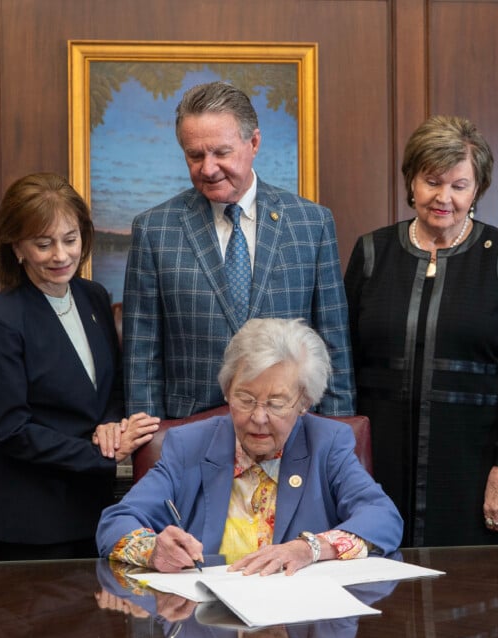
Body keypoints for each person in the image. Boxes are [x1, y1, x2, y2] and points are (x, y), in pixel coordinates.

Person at [344, 115, 498, 547]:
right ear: (411, 181)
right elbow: (342, 363)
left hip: (471, 468)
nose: (443, 197)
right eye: (432, 181)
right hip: (377, 465)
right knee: (379, 585)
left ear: (477, 190)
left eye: (459, 185)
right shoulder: (373, 252)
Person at [123, 81, 355, 420]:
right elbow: (141, 355)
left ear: (254, 142)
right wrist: (148, 447)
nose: (208, 168)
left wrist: (337, 438)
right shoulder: (154, 230)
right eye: (195, 155)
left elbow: (334, 345)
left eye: (221, 152)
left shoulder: (311, 224)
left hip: (291, 430)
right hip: (191, 435)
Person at [97, 317, 402, 573]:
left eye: (276, 403)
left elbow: (383, 518)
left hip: (302, 629)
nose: (258, 417)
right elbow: (115, 523)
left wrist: (309, 548)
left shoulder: (326, 443)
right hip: (206, 627)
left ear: (304, 402)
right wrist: (153, 551)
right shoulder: (190, 444)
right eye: (245, 399)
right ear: (227, 390)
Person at [0, 173, 159, 561]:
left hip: (97, 513)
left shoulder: (93, 297)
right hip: (31, 524)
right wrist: (106, 453)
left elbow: (113, 385)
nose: (61, 255)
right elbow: (11, 431)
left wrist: (111, 423)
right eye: (43, 244)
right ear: (17, 248)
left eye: (70, 239)